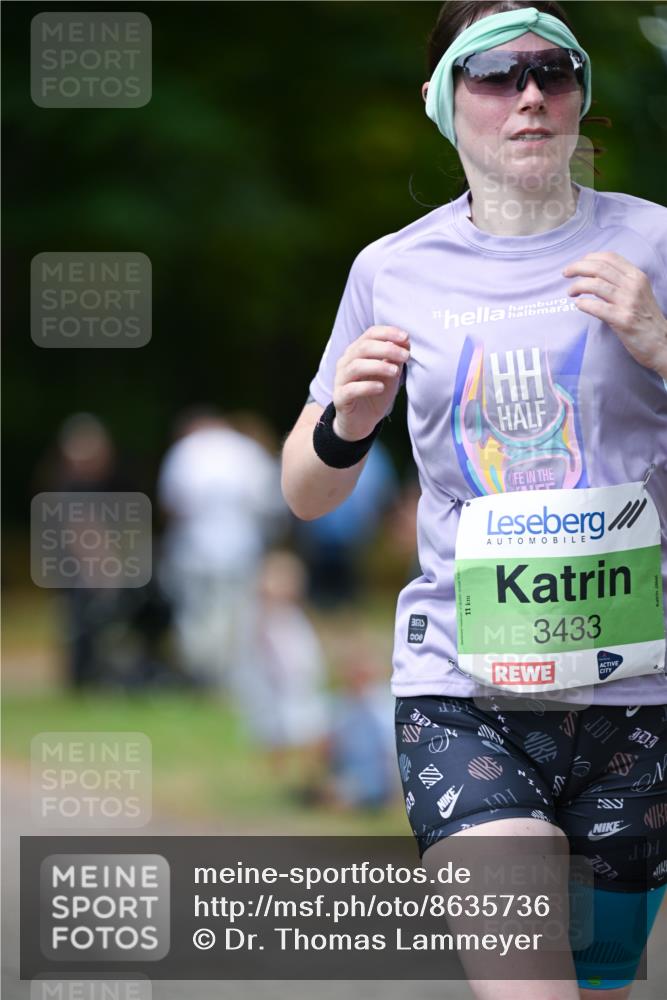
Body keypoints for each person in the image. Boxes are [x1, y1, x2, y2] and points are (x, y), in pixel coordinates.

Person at [281, 3, 667, 998]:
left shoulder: (654, 243)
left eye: (554, 69)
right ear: (442, 102)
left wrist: (661, 344)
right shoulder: (391, 269)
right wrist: (346, 424)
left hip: (639, 694)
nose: (529, 94)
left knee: (600, 978)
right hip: (463, 691)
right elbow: (306, 490)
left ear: (582, 92)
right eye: (493, 74)